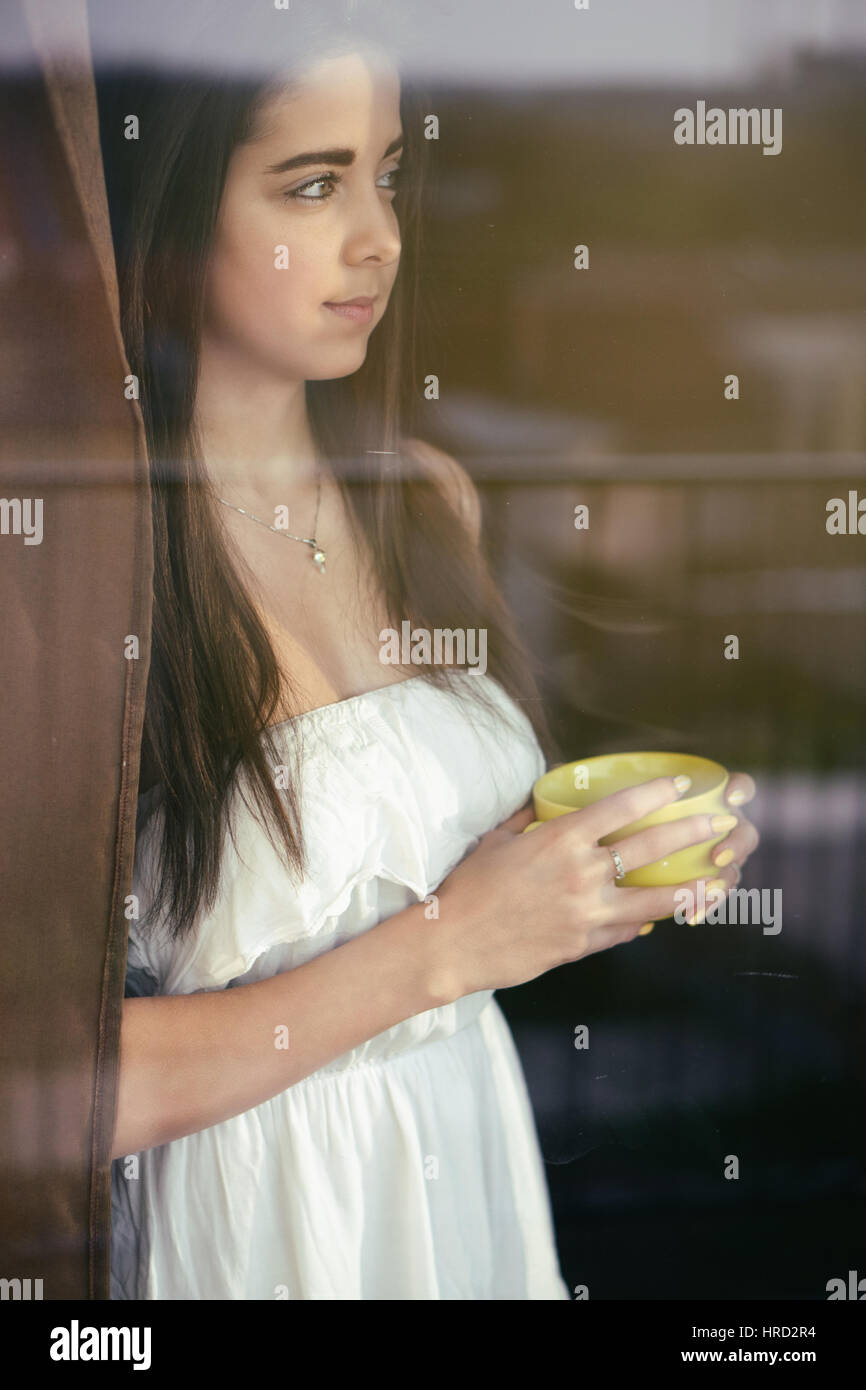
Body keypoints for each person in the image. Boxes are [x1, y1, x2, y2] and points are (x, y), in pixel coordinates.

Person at [101, 1, 759, 1299]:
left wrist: (603, 861)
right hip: (259, 1217)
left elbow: (448, 875)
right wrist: (456, 942)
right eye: (311, 185)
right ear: (168, 221)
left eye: (388, 175)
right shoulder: (89, 569)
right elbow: (48, 1088)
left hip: (462, 1151)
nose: (378, 237)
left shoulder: (420, 497)